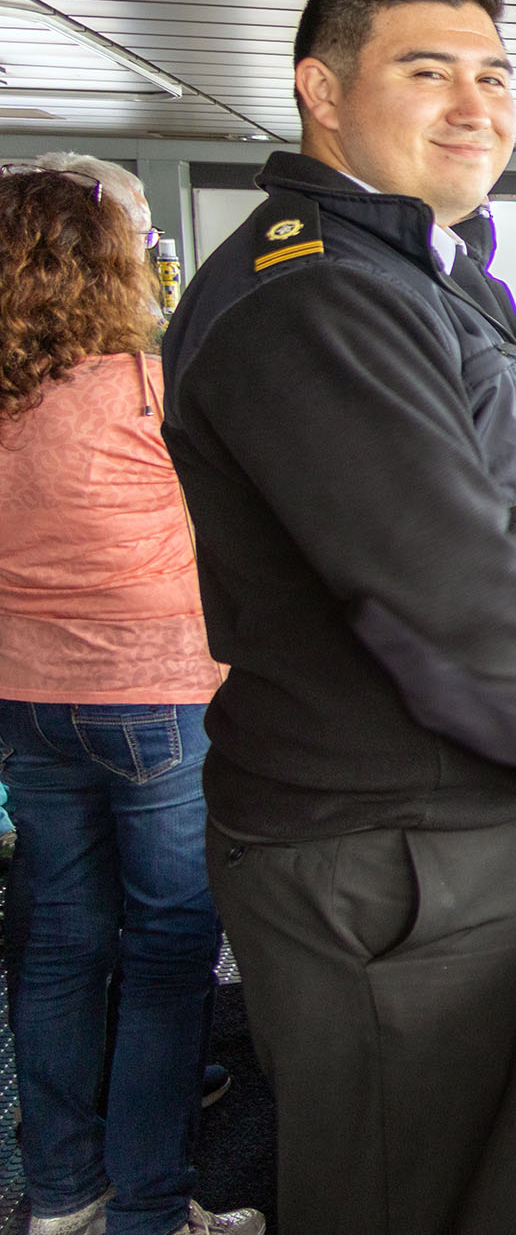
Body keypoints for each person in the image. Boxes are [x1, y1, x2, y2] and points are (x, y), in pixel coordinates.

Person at [158, 0, 516, 1235]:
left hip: (446, 831)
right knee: (401, 1195)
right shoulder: (315, 297)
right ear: (321, 88)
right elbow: (444, 594)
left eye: (493, 73)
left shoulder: (428, 275)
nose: (477, 105)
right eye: (428, 70)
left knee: (469, 1172)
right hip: (385, 846)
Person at [0, 156, 263, 1235]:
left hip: (25, 695)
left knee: (58, 940)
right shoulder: (154, 384)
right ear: (114, 263)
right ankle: (149, 1207)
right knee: (164, 953)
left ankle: (62, 1194)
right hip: (157, 697)